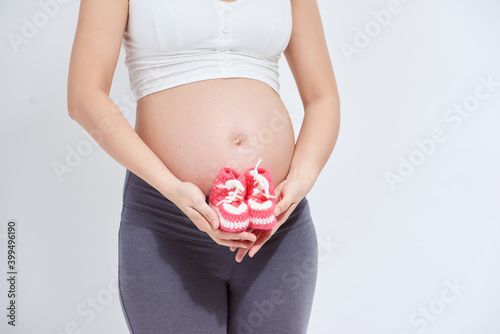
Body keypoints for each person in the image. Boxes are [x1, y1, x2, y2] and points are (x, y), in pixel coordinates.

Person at [67, 0, 340, 332]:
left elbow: (322, 96)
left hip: (276, 229)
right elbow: (84, 96)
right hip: (169, 227)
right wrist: (172, 188)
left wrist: (301, 179)